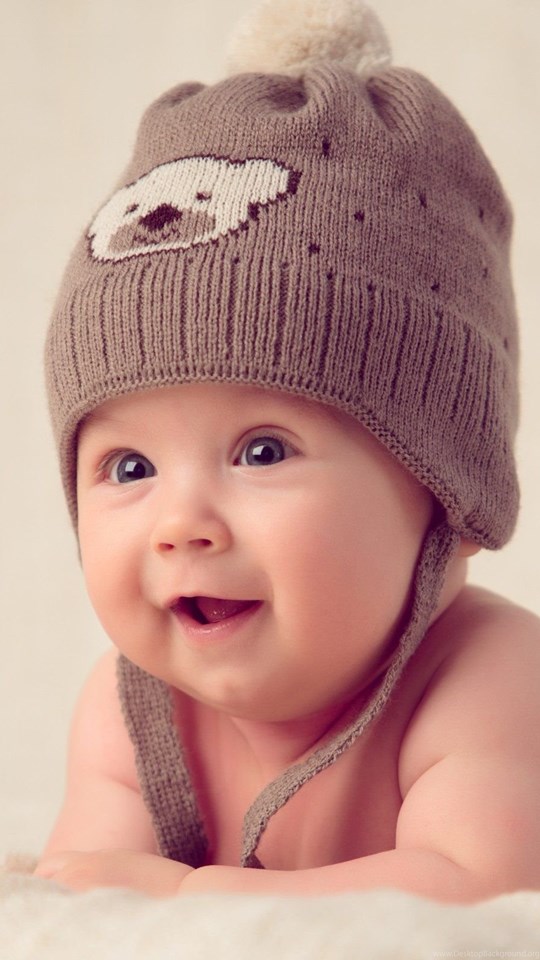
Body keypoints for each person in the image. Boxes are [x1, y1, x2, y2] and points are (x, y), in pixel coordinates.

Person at [35, 0, 540, 901]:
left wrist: (192, 899)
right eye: (130, 468)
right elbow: (85, 898)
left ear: (449, 488)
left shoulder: (489, 677)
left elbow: (484, 896)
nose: (181, 524)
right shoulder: (130, 713)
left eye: (264, 452)